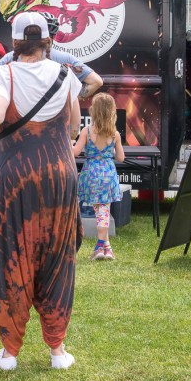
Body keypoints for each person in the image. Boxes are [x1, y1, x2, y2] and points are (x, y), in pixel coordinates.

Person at [0, 11, 81, 371]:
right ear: (48, 41)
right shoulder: (65, 74)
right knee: (58, 259)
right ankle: (58, 351)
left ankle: (8, 354)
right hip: (58, 175)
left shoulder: (4, 74)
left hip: (15, 179)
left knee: (12, 257)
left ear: (15, 42)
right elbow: (73, 127)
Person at [0, 13, 104, 101]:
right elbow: (96, 81)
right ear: (50, 38)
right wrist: (69, 101)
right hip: (54, 122)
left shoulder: (11, 57)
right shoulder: (65, 58)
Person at [72, 92, 125, 261]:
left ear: (94, 111)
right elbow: (121, 157)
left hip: (91, 174)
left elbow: (75, 152)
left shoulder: (87, 131)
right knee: (103, 210)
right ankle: (104, 247)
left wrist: (67, 142)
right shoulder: (115, 134)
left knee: (100, 210)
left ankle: (101, 247)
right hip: (108, 175)